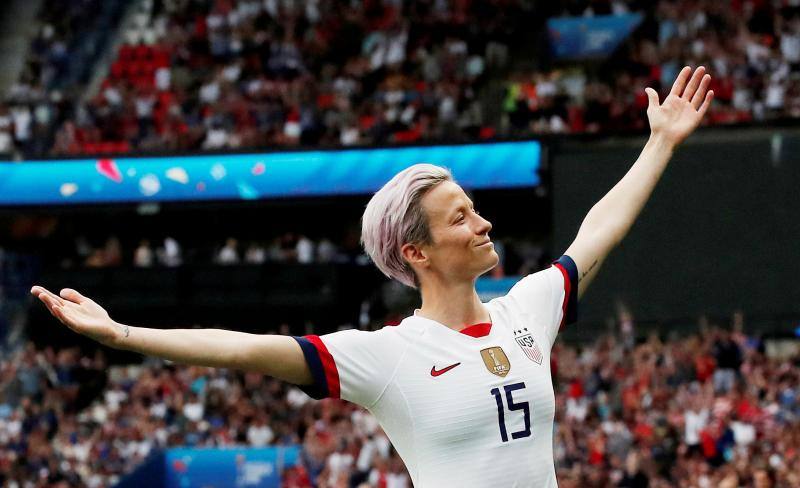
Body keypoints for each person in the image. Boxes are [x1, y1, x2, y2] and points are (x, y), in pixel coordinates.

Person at [31, 66, 714, 487]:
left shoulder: (526, 309)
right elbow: (243, 347)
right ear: (416, 253)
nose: (483, 226)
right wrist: (122, 333)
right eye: (459, 219)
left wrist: (660, 143)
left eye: (476, 212)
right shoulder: (386, 357)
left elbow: (599, 230)